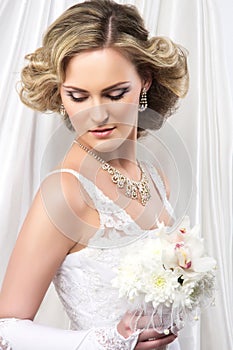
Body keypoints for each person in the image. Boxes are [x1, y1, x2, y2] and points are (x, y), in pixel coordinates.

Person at [0, 0, 189, 349]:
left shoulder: (154, 176)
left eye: (115, 94)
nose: (97, 115)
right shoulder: (64, 193)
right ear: (60, 93)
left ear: (145, 81)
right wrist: (113, 341)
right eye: (78, 96)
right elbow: (6, 330)